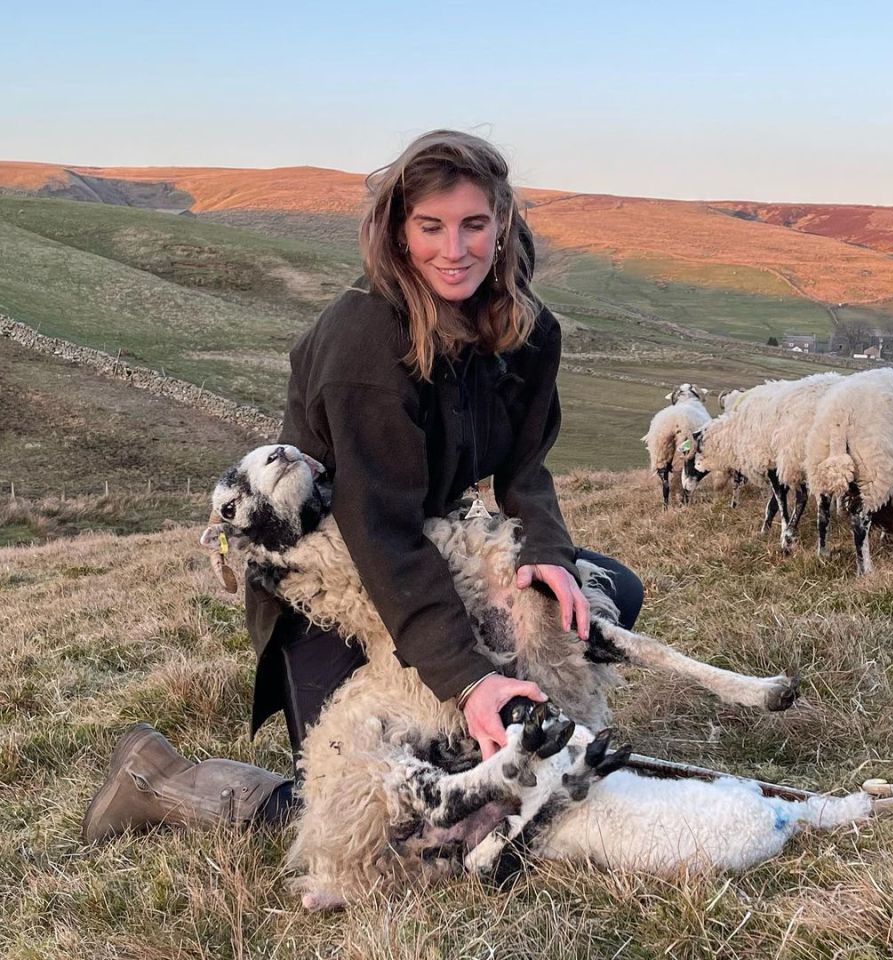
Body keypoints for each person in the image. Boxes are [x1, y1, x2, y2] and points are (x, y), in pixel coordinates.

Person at [81, 130, 644, 842]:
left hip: (435, 549)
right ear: (398, 232)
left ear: (502, 225)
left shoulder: (527, 329)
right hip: (335, 583)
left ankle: (505, 720)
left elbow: (526, 468)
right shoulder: (365, 340)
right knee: (379, 809)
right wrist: (469, 679)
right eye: (430, 227)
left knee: (603, 595)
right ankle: (158, 779)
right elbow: (376, 526)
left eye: (474, 225)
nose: (455, 249)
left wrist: (551, 557)